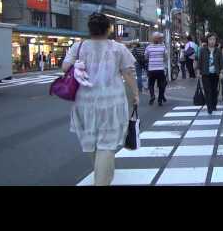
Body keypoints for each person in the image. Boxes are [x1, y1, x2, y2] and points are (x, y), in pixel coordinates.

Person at [62, 13, 139, 186]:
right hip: (112, 103)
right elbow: (128, 73)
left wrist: (77, 64)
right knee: (107, 144)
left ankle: (103, 176)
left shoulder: (79, 47)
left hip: (84, 103)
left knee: (92, 142)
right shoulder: (118, 48)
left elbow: (65, 67)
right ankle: (102, 180)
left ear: (90, 29)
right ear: (108, 29)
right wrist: (135, 94)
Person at [196, 33, 223, 114]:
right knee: (207, 90)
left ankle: (214, 104)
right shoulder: (203, 50)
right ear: (207, 40)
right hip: (205, 73)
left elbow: (221, 62)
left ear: (215, 41)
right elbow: (199, 62)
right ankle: (209, 107)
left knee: (214, 90)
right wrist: (198, 72)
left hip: (215, 73)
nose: (212, 41)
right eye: (210, 39)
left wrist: (221, 72)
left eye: (213, 39)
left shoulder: (218, 50)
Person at [145, 32, 168, 106]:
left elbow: (146, 57)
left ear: (152, 39)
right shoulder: (163, 47)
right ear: (159, 39)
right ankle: (160, 100)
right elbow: (166, 57)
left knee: (151, 84)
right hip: (160, 69)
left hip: (151, 69)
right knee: (162, 84)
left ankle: (152, 95)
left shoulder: (148, 47)